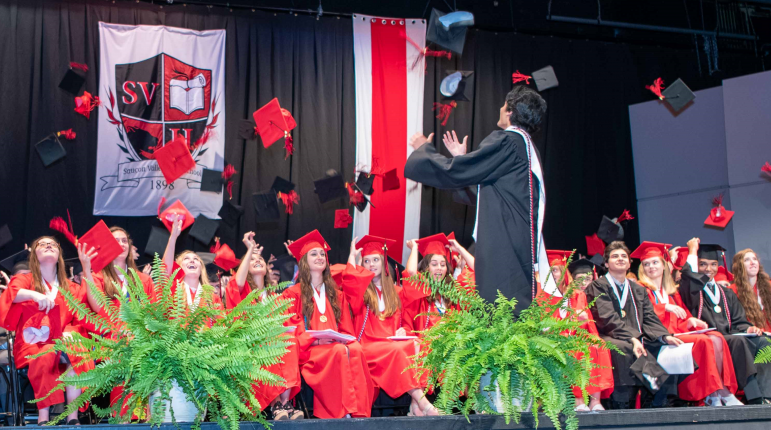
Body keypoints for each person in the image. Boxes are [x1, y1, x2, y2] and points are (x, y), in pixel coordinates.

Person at [404, 85, 553, 310]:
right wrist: (465, 160)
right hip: (516, 245)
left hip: (503, 247)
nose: (500, 108)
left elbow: (453, 172)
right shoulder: (528, 148)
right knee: (512, 312)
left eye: (504, 105)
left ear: (510, 111)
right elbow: (494, 195)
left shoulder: (507, 141)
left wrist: (425, 150)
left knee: (500, 312)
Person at [280, 230, 375, 419]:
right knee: (339, 351)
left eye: (322, 254)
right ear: (304, 261)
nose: (320, 257)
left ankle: (359, 413)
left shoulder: (336, 294)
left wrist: (341, 338)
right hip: (308, 351)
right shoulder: (293, 293)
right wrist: (314, 340)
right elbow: (291, 327)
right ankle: (339, 413)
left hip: (333, 345)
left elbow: (346, 329)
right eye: (314, 254)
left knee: (355, 348)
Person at [0, 237, 95, 424]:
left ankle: (72, 417)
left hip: (65, 340)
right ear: (34, 255)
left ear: (59, 254)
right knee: (44, 355)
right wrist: (34, 294)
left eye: (53, 244)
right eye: (42, 244)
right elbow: (11, 295)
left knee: (77, 350)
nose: (49, 245)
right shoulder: (25, 280)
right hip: (33, 343)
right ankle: (43, 418)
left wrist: (71, 334)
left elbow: (83, 318)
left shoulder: (72, 288)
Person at [633, 242, 741, 406]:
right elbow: (640, 314)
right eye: (646, 264)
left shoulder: (670, 291)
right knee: (704, 341)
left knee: (717, 337)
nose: (651, 267)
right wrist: (664, 307)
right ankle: (714, 392)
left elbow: (682, 318)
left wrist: (690, 321)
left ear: (664, 265)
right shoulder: (639, 288)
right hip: (655, 339)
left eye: (655, 262)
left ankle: (720, 390)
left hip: (675, 333)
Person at [342, 236, 439, 417]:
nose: (371, 264)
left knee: (419, 344)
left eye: (376, 259)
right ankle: (422, 402)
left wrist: (414, 250)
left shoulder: (396, 292)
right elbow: (350, 282)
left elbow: (413, 278)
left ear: (384, 261)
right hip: (368, 347)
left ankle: (414, 404)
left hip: (392, 344)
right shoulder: (362, 292)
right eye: (367, 261)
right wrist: (352, 256)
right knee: (398, 350)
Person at [585, 241, 682, 409]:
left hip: (635, 336)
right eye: (615, 256)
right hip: (609, 335)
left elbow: (649, 317)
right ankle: (622, 403)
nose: (620, 259)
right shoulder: (598, 286)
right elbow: (607, 318)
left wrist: (664, 336)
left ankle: (659, 402)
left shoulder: (637, 289)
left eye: (624, 256)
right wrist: (633, 338)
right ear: (606, 263)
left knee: (666, 347)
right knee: (623, 348)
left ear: (630, 263)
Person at [678, 239, 771, 404]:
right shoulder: (692, 290)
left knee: (764, 341)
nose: (709, 269)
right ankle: (755, 397)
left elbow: (739, 320)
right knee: (738, 341)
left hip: (730, 336)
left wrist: (748, 329)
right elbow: (688, 276)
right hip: (710, 338)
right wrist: (692, 250)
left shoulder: (726, 292)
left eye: (713, 264)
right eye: (703, 264)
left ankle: (767, 395)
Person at [226, 232, 302, 420]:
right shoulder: (243, 292)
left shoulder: (275, 298)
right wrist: (250, 249)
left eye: (260, 259)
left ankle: (284, 403)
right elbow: (238, 282)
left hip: (275, 341)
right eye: (251, 260)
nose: (257, 260)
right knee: (268, 344)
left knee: (289, 340)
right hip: (248, 345)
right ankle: (275, 403)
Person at [538, 251, 613, 411]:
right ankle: (578, 401)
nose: (552, 275)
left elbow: (585, 321)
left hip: (577, 334)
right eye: (549, 271)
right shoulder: (540, 295)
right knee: (575, 348)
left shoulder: (577, 294)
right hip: (552, 339)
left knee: (598, 345)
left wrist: (577, 320)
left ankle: (595, 401)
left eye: (556, 270)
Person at [162, 215, 223, 310]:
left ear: (201, 268)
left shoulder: (212, 300)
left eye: (196, 259)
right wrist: (173, 237)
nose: (192, 260)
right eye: (186, 258)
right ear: (178, 268)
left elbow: (221, 324)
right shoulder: (172, 292)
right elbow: (164, 270)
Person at [729, 249, 771, 332]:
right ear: (739, 266)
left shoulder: (769, 286)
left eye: (754, 259)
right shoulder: (732, 291)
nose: (753, 262)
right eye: (747, 260)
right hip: (753, 337)